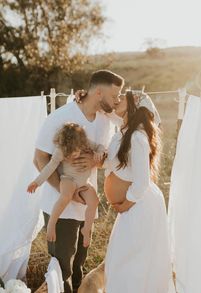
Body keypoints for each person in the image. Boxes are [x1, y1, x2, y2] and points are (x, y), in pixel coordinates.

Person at [33, 70, 124, 293]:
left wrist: (96, 161)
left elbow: (103, 159)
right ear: (99, 92)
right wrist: (65, 191)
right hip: (61, 206)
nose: (117, 101)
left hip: (86, 203)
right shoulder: (60, 116)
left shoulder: (105, 121)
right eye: (114, 96)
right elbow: (40, 158)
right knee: (62, 269)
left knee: (78, 267)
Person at [103, 90, 172, 293]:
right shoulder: (123, 131)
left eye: (123, 97)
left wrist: (125, 204)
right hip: (132, 205)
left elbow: (142, 181)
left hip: (139, 205)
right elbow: (107, 111)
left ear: (133, 106)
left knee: (134, 260)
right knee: (124, 257)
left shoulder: (137, 137)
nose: (118, 99)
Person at [28, 122, 106, 247]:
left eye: (74, 152)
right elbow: (50, 167)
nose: (71, 156)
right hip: (68, 178)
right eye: (68, 154)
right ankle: (52, 223)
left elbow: (100, 147)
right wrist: (37, 182)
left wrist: (99, 153)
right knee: (65, 196)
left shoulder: (85, 142)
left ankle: (86, 228)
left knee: (94, 202)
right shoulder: (60, 149)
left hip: (83, 182)